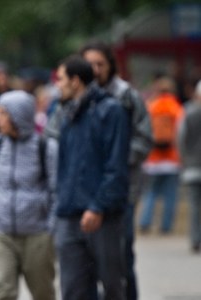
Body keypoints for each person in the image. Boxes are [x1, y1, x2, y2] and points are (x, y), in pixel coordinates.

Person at [53, 56, 130, 300]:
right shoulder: (67, 114)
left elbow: (116, 165)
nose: (58, 85)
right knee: (73, 289)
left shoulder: (111, 110)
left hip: (102, 215)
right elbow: (64, 166)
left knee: (111, 285)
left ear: (76, 82)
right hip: (69, 213)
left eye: (61, 79)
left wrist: (98, 206)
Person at [81, 41, 153, 300]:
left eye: (101, 64)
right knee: (86, 259)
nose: (96, 70)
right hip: (84, 192)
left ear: (111, 65)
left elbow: (144, 139)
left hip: (122, 189)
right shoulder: (77, 96)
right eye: (90, 65)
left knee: (121, 256)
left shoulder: (126, 95)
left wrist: (115, 159)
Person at [0, 90, 57, 300]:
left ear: (18, 116)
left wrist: (51, 227)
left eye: (3, 113)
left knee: (42, 292)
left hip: (37, 233)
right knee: (2, 291)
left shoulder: (45, 147)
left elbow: (56, 189)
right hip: (0, 229)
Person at [139, 76, 184, 234]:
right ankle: (166, 225)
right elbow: (181, 134)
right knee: (170, 194)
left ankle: (145, 221)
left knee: (150, 192)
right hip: (172, 158)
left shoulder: (151, 106)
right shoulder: (176, 108)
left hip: (153, 158)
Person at [177, 79, 201, 254]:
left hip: (192, 168)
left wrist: (184, 159)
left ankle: (195, 239)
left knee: (194, 207)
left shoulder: (187, 113)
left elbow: (180, 139)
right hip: (193, 166)